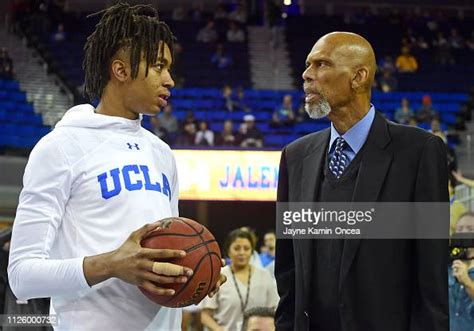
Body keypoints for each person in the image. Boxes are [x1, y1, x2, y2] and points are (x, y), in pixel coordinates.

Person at [7, 3, 225, 330]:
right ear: (120, 71)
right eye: (158, 66)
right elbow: (22, 276)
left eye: (169, 68)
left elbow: (169, 253)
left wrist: (193, 273)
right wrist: (111, 265)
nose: (170, 80)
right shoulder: (60, 148)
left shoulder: (162, 153)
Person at [275, 32, 448, 331]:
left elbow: (431, 279)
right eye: (307, 65)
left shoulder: (419, 152)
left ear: (358, 76)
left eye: (321, 64)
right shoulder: (296, 157)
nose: (306, 75)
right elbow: (288, 270)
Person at [200, 229, 279, 331]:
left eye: (246, 248)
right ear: (228, 251)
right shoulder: (218, 276)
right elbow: (205, 316)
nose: (242, 252)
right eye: (237, 248)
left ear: (252, 251)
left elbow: (274, 311)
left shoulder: (264, 276)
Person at [449, 213, 474, 330]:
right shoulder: (448, 267)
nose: (464, 233)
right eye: (459, 229)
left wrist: (468, 282)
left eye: (470, 229)